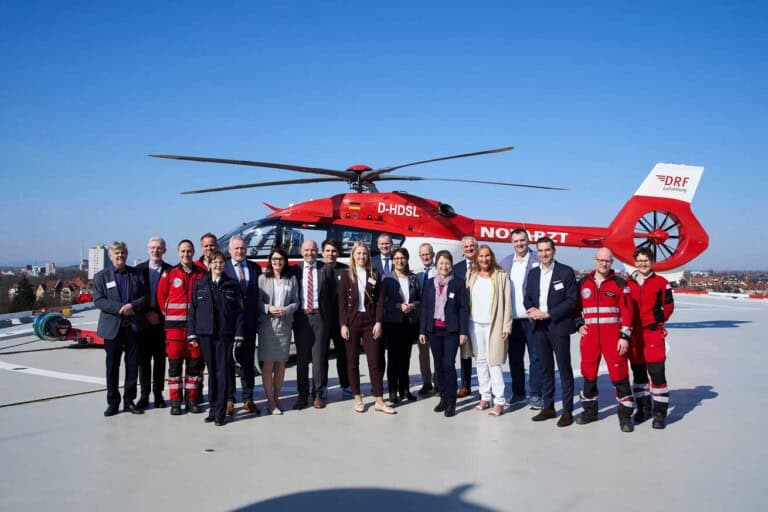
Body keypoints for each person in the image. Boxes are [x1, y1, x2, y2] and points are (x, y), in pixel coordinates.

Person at [574, 248, 635, 432]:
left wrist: (624, 337)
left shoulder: (620, 283)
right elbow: (575, 309)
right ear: (595, 260)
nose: (604, 264)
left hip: (613, 339)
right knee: (589, 376)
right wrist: (578, 324)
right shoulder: (583, 283)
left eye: (607, 261)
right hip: (590, 339)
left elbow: (627, 313)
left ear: (612, 262)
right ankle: (590, 413)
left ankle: (625, 417)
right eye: (600, 260)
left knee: (620, 377)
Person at [524, 237, 578, 427]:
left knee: (564, 369)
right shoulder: (532, 274)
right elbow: (527, 297)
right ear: (537, 252)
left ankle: (568, 411)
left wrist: (548, 314)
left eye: (547, 250)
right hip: (539, 327)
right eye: (540, 250)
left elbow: (572, 301)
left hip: (558, 326)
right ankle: (548, 407)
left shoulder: (566, 272)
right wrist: (532, 311)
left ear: (554, 251)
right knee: (545, 368)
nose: (544, 254)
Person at [188, 251, 244, 426]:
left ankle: (220, 412)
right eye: (215, 262)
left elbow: (239, 312)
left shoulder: (232, 285)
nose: (218, 265)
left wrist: (238, 333)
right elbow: (193, 311)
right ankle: (213, 408)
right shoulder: (200, 284)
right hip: (205, 334)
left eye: (221, 262)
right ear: (209, 264)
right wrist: (192, 334)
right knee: (211, 372)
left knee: (223, 372)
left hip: (224, 335)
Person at [93, 241, 147, 417]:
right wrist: (119, 308)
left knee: (132, 366)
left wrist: (132, 305)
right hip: (113, 328)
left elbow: (145, 297)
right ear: (110, 256)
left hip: (132, 327)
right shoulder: (102, 276)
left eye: (123, 253)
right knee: (112, 367)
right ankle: (113, 402)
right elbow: (99, 300)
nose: (120, 256)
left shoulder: (136, 274)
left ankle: (129, 400)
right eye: (116, 253)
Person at [339, 242, 393, 414]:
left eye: (364, 254)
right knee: (352, 362)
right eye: (358, 253)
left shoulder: (374, 274)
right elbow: (342, 304)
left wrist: (378, 322)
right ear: (353, 256)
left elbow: (379, 301)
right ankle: (357, 397)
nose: (361, 257)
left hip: (370, 322)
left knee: (375, 361)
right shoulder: (346, 276)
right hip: (352, 321)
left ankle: (379, 399)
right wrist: (343, 324)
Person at [157, 240, 207, 415]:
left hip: (195, 331)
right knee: (174, 368)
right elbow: (161, 298)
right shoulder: (169, 273)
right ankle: (176, 401)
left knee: (194, 368)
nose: (186, 254)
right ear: (178, 253)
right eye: (183, 251)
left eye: (189, 251)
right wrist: (171, 317)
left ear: (193, 252)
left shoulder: (202, 273)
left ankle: (192, 400)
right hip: (174, 332)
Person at [628, 247, 674, 429]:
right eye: (639, 260)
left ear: (652, 261)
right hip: (634, 336)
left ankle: (660, 413)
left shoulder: (661, 283)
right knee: (639, 375)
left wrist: (657, 320)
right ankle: (643, 409)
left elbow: (669, 306)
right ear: (635, 262)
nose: (642, 264)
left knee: (656, 372)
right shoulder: (628, 283)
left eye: (645, 260)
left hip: (652, 333)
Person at [463, 245, 512, 417]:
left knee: (494, 361)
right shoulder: (471, 274)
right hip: (474, 323)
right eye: (481, 256)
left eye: (487, 256)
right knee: (481, 361)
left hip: (494, 324)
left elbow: (507, 302)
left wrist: (507, 325)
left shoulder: (501, 275)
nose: (484, 259)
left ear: (492, 257)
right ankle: (485, 396)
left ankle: (499, 400)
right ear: (476, 258)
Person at [419, 250, 469, 417]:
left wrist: (463, 331)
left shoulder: (458, 283)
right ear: (437, 264)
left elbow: (463, 309)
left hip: (451, 331)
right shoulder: (430, 283)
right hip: (434, 330)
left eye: (447, 263)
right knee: (439, 366)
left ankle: (451, 402)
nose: (444, 266)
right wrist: (423, 330)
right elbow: (425, 308)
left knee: (449, 365)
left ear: (451, 264)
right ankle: (443, 398)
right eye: (441, 263)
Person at [499, 228, 542, 409]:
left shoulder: (538, 260)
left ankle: (535, 394)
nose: (519, 244)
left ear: (528, 240)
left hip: (532, 320)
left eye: (522, 240)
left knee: (536, 357)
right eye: (516, 241)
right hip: (512, 320)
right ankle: (518, 393)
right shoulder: (506, 262)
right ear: (512, 243)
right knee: (515, 358)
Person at [291, 240, 335, 409]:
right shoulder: (295, 270)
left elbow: (331, 295)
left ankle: (318, 394)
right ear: (302, 252)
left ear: (318, 252)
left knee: (318, 358)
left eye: (313, 250)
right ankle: (302, 395)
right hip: (301, 318)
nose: (310, 253)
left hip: (319, 317)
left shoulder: (326, 269)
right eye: (306, 250)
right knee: (302, 358)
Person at [224, 235, 262, 415]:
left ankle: (248, 398)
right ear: (230, 250)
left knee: (248, 363)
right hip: (229, 324)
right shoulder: (223, 268)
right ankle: (230, 399)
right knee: (229, 362)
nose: (240, 251)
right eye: (236, 249)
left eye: (242, 249)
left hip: (249, 323)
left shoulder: (254, 268)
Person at [258, 248, 299, 415]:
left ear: (285, 261)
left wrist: (287, 310)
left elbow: (296, 302)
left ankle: (277, 397)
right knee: (268, 363)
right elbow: (257, 302)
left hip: (284, 324)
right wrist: (268, 308)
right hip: (268, 325)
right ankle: (270, 401)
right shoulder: (262, 279)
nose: (277, 262)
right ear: (270, 260)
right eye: (274, 259)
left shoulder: (292, 279)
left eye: (280, 259)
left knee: (281, 363)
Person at [135, 237, 172, 410]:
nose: (155, 250)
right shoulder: (137, 271)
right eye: (152, 248)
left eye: (159, 248)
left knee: (159, 360)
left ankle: (158, 394)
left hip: (161, 322)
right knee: (143, 360)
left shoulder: (170, 271)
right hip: (142, 322)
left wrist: (158, 313)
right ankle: (144, 395)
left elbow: (171, 297)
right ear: (147, 249)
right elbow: (134, 296)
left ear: (164, 250)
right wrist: (146, 313)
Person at [383, 247, 421, 404]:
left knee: (406, 358)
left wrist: (412, 305)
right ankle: (392, 391)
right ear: (393, 260)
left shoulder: (413, 278)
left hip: (409, 323)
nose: (400, 261)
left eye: (402, 258)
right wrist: (399, 306)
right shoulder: (387, 279)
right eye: (396, 258)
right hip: (393, 323)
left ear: (406, 259)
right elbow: (384, 301)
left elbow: (420, 299)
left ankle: (404, 389)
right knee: (393, 359)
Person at [321, 239, 351, 398]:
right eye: (327, 251)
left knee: (343, 354)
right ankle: (323, 387)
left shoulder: (346, 271)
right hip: (322, 321)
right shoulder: (317, 269)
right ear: (322, 252)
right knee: (322, 355)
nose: (330, 254)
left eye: (333, 251)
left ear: (338, 253)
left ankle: (346, 385)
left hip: (341, 321)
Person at [453, 236, 478, 399]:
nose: (469, 249)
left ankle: (486, 387)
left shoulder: (485, 265)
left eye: (472, 246)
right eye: (466, 247)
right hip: (463, 317)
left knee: (483, 354)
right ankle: (465, 386)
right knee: (465, 353)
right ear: (462, 250)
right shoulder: (456, 269)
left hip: (482, 316)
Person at [415, 242, 437, 396]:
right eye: (423, 255)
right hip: (421, 321)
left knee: (437, 353)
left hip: (437, 320)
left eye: (428, 254)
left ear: (433, 254)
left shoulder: (440, 272)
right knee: (423, 354)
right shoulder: (418, 275)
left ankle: (438, 383)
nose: (426, 257)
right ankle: (426, 383)